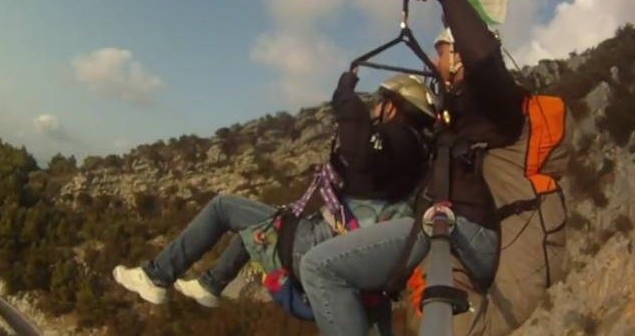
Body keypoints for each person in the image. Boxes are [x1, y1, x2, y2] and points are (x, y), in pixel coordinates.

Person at [296, 0, 571, 336]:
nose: (436, 61)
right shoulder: (461, 113)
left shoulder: (497, 108)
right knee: (361, 282)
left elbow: (484, 57)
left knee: (320, 267)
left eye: (442, 53)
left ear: (458, 57)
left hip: (465, 229)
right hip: (449, 226)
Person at [112, 69, 438, 334]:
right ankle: (212, 284)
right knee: (263, 223)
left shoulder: (400, 139)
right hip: (353, 251)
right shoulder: (417, 152)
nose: (376, 110)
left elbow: (358, 148)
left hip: (323, 245)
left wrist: (345, 95)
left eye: (380, 104)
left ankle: (157, 277)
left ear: (393, 106)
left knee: (224, 207)